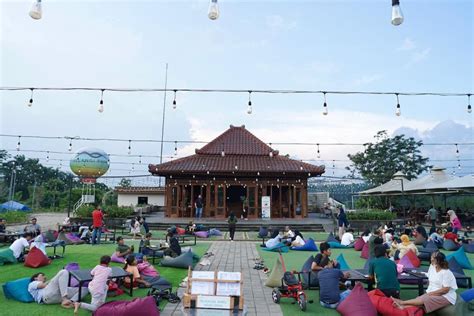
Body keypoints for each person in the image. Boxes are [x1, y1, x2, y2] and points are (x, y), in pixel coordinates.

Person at [391, 252, 458, 313]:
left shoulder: (446, 272)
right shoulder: (433, 267)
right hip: (435, 292)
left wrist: (431, 293)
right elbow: (429, 276)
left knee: (425, 299)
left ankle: (402, 302)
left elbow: (445, 290)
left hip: (446, 296)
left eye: (432, 258)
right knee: (419, 299)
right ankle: (402, 307)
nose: (431, 259)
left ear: (438, 261)